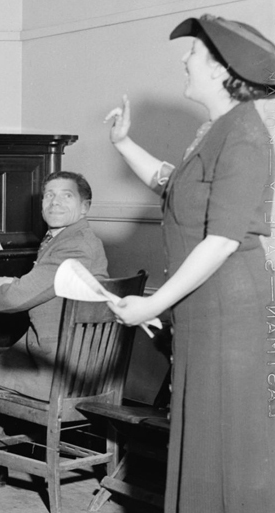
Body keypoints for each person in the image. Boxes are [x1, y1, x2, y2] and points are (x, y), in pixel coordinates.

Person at [104, 15, 275, 512]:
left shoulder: (245, 134)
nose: (184, 59)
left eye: (195, 54)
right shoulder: (217, 129)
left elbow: (221, 239)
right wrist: (121, 143)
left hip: (233, 313)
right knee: (203, 438)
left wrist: (154, 302)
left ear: (224, 71)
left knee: (230, 448)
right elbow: (173, 185)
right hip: (206, 309)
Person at [0, 172, 108, 498]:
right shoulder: (76, 240)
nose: (54, 202)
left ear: (85, 207)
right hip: (76, 365)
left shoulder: (74, 246)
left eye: (66, 196)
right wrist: (13, 281)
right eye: (48, 195)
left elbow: (17, 298)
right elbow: (47, 284)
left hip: (59, 373)